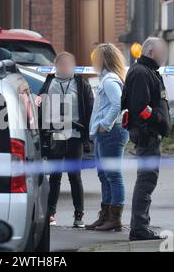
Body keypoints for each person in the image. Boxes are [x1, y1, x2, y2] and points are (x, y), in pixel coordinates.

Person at [121, 37, 172, 241]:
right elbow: (140, 108)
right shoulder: (142, 72)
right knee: (146, 180)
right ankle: (139, 228)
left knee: (147, 179)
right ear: (151, 52)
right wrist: (158, 121)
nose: (164, 56)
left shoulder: (147, 70)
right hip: (147, 135)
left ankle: (141, 225)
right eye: (161, 52)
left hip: (150, 133)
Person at [39, 52, 94, 228]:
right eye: (61, 64)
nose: (65, 67)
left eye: (68, 64)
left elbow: (90, 108)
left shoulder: (81, 84)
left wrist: (87, 135)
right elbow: (40, 105)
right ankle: (51, 214)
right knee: (54, 176)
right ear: (55, 66)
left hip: (75, 135)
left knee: (74, 176)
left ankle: (79, 216)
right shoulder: (49, 83)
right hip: (55, 134)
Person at [86, 44, 129, 232]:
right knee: (104, 175)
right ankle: (105, 216)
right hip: (104, 133)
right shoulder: (106, 79)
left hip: (111, 132)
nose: (93, 62)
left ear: (104, 60)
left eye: (96, 58)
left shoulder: (110, 80)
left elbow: (117, 104)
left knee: (112, 175)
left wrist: (105, 124)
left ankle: (115, 218)